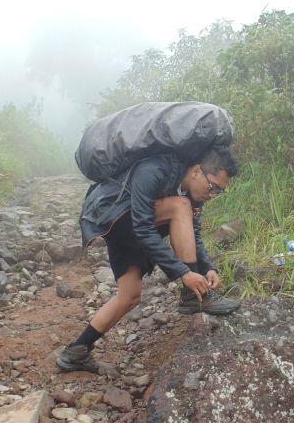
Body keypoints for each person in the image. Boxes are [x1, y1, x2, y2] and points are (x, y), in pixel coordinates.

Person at [56, 145, 240, 372]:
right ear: (195, 172)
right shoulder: (154, 170)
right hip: (114, 217)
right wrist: (185, 274)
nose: (212, 195)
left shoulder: (195, 194)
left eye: (219, 192)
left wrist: (208, 267)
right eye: (213, 187)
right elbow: (142, 228)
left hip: (130, 230)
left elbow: (194, 232)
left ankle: (76, 351)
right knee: (179, 206)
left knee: (129, 296)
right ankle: (192, 296)